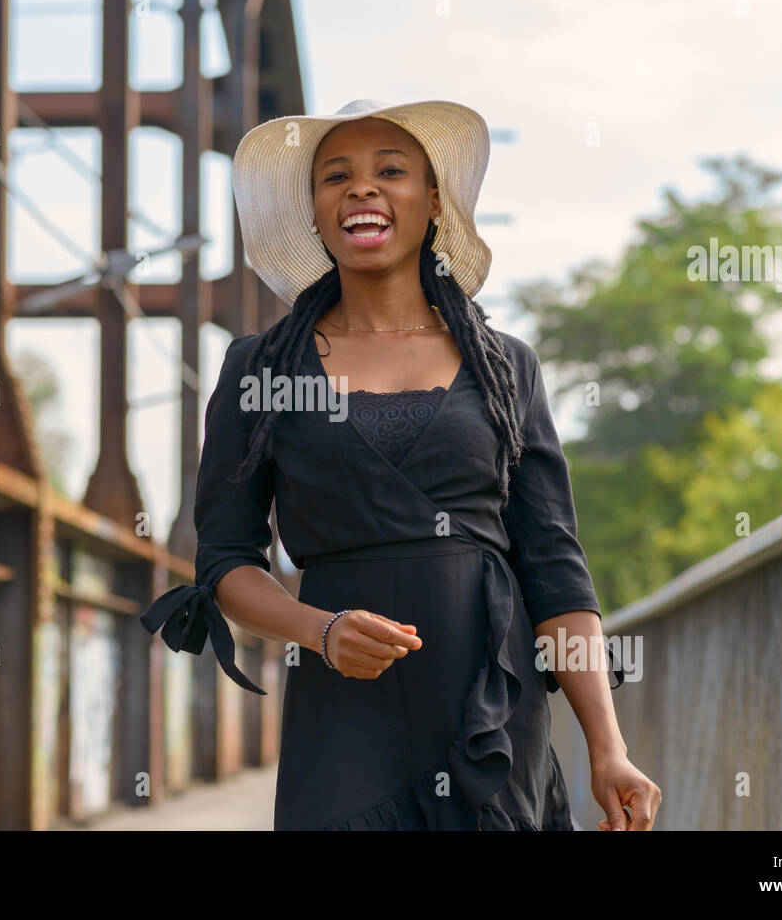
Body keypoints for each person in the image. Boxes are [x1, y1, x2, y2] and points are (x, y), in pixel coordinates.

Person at [142, 98, 661, 831]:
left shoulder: (505, 368)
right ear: (314, 213)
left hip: (491, 704)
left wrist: (608, 747)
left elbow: (555, 566)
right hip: (343, 717)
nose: (362, 188)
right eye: (336, 177)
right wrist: (318, 630)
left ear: (434, 203)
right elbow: (226, 561)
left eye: (391, 170)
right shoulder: (258, 368)